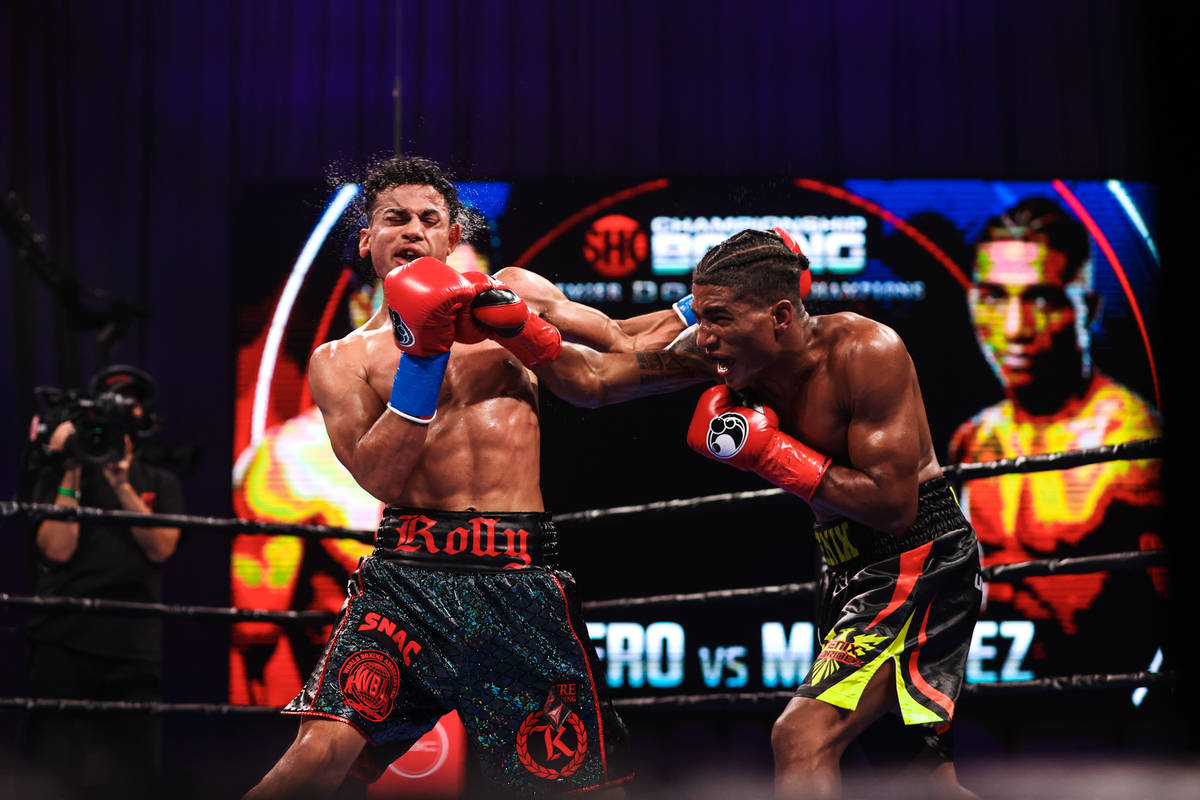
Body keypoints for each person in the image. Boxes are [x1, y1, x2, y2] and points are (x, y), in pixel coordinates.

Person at [243, 156, 704, 799]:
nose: (413, 230)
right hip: (407, 578)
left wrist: (716, 308)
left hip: (518, 574)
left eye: (429, 218)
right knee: (318, 753)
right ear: (366, 240)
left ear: (451, 236)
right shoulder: (339, 361)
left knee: (577, 786)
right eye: (393, 218)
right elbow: (379, 475)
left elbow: (622, 342)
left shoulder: (512, 292)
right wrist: (422, 357)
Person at [672, 229, 982, 799]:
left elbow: (894, 507)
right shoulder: (738, 358)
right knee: (919, 785)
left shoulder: (866, 352)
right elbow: (604, 368)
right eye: (699, 316)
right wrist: (527, 323)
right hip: (845, 567)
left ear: (781, 315)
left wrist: (769, 454)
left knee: (801, 738)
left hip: (917, 561)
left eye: (717, 319)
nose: (701, 337)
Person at [948, 198, 1165, 738]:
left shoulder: (1132, 444)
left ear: (1086, 308)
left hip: (1102, 725)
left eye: (1042, 299)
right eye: (994, 297)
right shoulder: (975, 439)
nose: (1015, 329)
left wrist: (1147, 727)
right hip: (986, 713)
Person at [22, 364, 185, 798]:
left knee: (133, 775)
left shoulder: (159, 482)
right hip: (63, 640)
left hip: (133, 645)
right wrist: (72, 467)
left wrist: (120, 482)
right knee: (50, 772)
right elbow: (56, 549)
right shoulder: (57, 477)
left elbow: (161, 548)